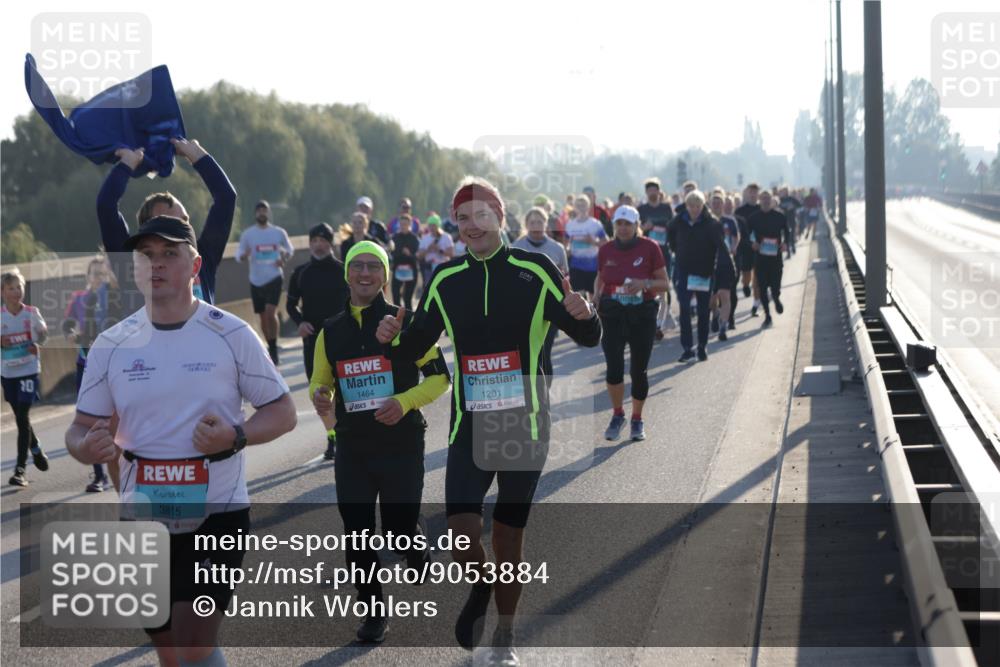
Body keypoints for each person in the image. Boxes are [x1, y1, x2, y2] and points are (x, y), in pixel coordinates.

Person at [375, 177, 601, 664]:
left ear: (499, 216)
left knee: (506, 537)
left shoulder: (534, 268)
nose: (472, 225)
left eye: (481, 214)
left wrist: (585, 312)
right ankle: (481, 587)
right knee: (460, 531)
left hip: (524, 423)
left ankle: (505, 637)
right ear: (455, 226)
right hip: (469, 424)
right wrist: (391, 334)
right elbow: (414, 349)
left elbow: (586, 336)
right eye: (462, 218)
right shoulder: (445, 278)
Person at [65, 215, 297, 666]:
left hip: (217, 513)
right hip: (143, 516)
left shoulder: (230, 333)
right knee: (171, 652)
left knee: (193, 643)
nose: (156, 264)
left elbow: (284, 412)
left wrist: (236, 436)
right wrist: (84, 447)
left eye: (170, 254)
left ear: (195, 265)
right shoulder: (112, 344)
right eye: (146, 256)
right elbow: (80, 428)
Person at [310, 240, 450, 643]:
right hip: (353, 446)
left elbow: (440, 378)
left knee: (398, 530)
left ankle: (413, 542)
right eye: (358, 266)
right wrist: (320, 396)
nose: (365, 273)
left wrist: (404, 402)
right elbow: (321, 381)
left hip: (401, 442)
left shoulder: (406, 322)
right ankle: (374, 613)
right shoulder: (331, 330)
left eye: (374, 266)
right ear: (347, 273)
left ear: (386, 276)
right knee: (355, 532)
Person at [100, 139, 235, 306]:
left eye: (185, 221)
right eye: (171, 222)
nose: (182, 228)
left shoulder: (203, 257)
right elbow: (106, 205)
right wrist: (126, 163)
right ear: (146, 230)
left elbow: (226, 198)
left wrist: (197, 155)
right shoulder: (131, 265)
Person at [594, 206, 669, 442]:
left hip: (642, 315)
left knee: (639, 370)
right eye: (619, 224)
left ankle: (637, 419)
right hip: (612, 314)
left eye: (628, 224)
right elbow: (600, 276)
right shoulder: (605, 249)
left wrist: (644, 283)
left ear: (636, 225)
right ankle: (618, 415)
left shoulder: (650, 247)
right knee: (614, 368)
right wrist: (596, 296)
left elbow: (664, 284)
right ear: (614, 226)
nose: (623, 228)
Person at [286, 222, 349, 461]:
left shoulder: (344, 270)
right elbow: (290, 305)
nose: (318, 245)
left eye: (322, 240)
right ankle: (333, 436)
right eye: (314, 241)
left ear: (330, 243)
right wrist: (300, 322)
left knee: (344, 390)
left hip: (343, 338)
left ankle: (348, 434)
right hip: (313, 342)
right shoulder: (301, 273)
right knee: (320, 393)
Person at [63, 256, 120, 491]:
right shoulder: (79, 299)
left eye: (101, 273)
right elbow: (67, 323)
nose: (97, 277)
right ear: (87, 276)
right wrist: (71, 333)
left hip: (111, 366)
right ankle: (99, 476)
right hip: (85, 365)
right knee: (90, 421)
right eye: (93, 273)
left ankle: (121, 463)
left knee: (115, 420)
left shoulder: (113, 298)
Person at [2, 268, 50, 487]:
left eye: (19, 287)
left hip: (29, 370)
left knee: (22, 416)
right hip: (8, 373)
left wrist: (38, 340)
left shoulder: (31, 312)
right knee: (22, 418)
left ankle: (20, 470)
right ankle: (36, 447)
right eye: (11, 288)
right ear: (2, 292)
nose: (16, 291)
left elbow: (43, 335)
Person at [667, 190, 727, 362]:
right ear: (686, 206)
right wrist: (677, 250)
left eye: (698, 206)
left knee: (703, 311)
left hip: (704, 272)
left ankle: (702, 346)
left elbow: (720, 247)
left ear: (703, 206)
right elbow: (670, 236)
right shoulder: (678, 221)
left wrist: (723, 267)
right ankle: (687, 348)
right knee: (685, 309)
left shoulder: (712, 224)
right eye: (691, 206)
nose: (694, 209)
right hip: (684, 270)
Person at [513, 206, 570, 376]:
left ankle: (544, 398)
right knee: (527, 353)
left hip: (550, 307)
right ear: (526, 224)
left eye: (540, 221)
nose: (536, 225)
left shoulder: (557, 248)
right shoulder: (516, 247)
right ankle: (530, 395)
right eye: (532, 222)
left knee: (544, 353)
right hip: (523, 308)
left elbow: (566, 277)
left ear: (546, 223)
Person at [236, 200, 294, 364]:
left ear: (268, 213)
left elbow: (289, 249)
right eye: (259, 211)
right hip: (256, 279)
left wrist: (283, 259)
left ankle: (274, 349)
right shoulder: (248, 234)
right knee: (262, 316)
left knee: (270, 312)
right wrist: (243, 255)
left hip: (274, 276)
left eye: (264, 210)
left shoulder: (278, 232)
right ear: (255, 214)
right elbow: (239, 253)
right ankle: (270, 346)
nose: (262, 213)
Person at [637, 177, 675, 340]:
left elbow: (673, 227)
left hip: (665, 252)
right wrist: (644, 228)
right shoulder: (641, 209)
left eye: (655, 190)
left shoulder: (666, 208)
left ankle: (660, 323)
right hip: (647, 254)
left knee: (663, 287)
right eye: (649, 190)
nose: (652, 193)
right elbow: (636, 230)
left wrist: (662, 226)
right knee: (649, 288)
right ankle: (652, 320)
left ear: (659, 191)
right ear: (646, 192)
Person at [747, 190, 789, 328]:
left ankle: (776, 298)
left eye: (768, 199)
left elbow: (787, 232)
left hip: (776, 258)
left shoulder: (779, 216)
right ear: (759, 200)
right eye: (763, 198)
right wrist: (752, 243)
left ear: (771, 200)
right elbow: (746, 235)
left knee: (775, 286)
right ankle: (767, 315)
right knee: (762, 288)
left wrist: (785, 244)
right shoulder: (753, 218)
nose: (765, 201)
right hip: (760, 258)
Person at [708, 193, 739, 341]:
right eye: (714, 203)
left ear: (723, 204)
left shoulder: (729, 221)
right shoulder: (707, 222)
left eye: (719, 203)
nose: (716, 205)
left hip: (726, 263)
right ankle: (715, 313)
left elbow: (735, 236)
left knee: (725, 295)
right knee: (712, 299)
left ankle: (723, 327)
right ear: (709, 205)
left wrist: (733, 247)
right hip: (709, 265)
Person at [564, 194, 608, 299]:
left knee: (593, 296)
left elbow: (606, 243)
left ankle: (593, 314)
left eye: (583, 205)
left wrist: (592, 242)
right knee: (578, 295)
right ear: (574, 207)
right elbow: (565, 243)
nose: (581, 207)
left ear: (588, 207)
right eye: (578, 205)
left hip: (592, 265)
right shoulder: (570, 224)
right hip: (575, 265)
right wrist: (568, 250)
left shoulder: (595, 224)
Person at [734, 183, 761, 313]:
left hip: (760, 248)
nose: (752, 195)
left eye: (755, 192)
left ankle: (756, 303)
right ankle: (745, 284)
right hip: (745, 247)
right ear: (746, 193)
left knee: (758, 277)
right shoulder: (739, 211)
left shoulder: (762, 209)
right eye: (750, 192)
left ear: (758, 194)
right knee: (746, 275)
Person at [391, 213, 421, 310]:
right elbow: (392, 253)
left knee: (407, 299)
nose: (403, 226)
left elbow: (418, 256)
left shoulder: (414, 238)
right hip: (397, 269)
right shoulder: (395, 238)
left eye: (406, 224)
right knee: (395, 298)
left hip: (411, 270)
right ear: (399, 224)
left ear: (410, 225)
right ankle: (397, 320)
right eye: (402, 224)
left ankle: (408, 322)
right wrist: (399, 253)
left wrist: (410, 254)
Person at [416, 214, 454, 287]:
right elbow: (419, 255)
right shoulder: (425, 238)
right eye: (430, 225)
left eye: (434, 225)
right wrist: (428, 249)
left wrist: (439, 250)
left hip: (443, 267)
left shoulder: (446, 237)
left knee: (444, 289)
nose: (432, 227)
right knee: (430, 289)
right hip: (429, 268)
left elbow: (451, 253)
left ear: (438, 225)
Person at [778, 186, 802, 258]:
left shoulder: (791, 199)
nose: (784, 192)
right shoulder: (780, 200)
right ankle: (788, 251)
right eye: (783, 191)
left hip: (792, 218)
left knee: (792, 234)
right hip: (783, 220)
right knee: (786, 235)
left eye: (785, 191)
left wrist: (793, 207)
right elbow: (777, 206)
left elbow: (799, 205)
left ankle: (793, 247)